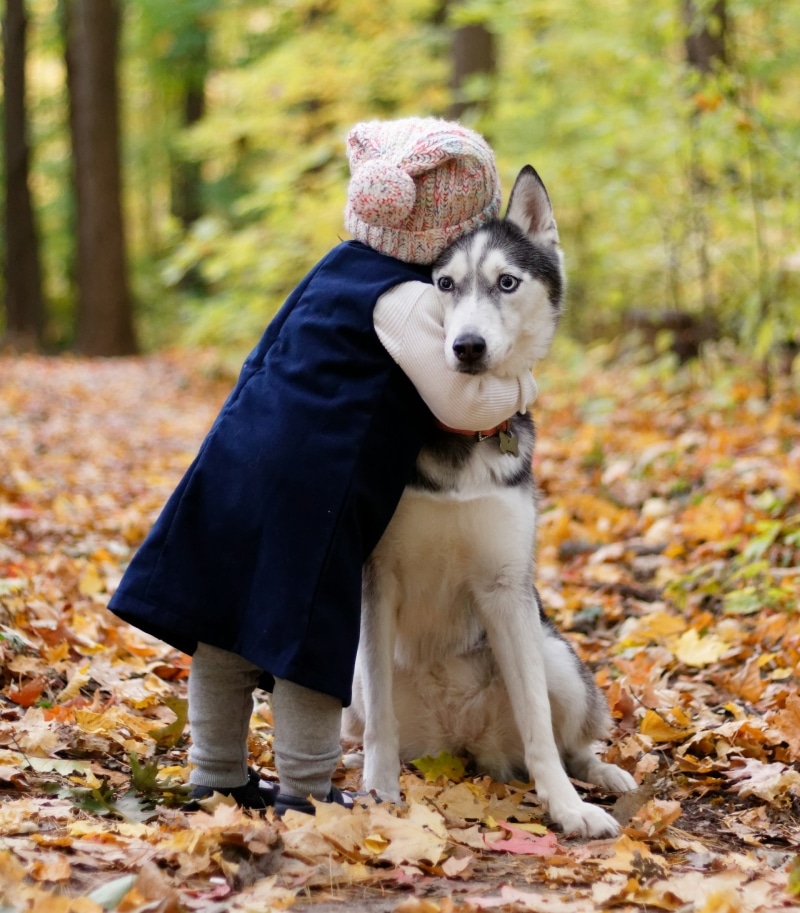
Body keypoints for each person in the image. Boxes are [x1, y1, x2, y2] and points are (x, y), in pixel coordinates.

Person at [108, 117, 538, 815]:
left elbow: (265, 354)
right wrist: (522, 389)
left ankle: (214, 773)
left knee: (221, 630)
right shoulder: (409, 300)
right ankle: (306, 790)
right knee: (308, 635)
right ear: (450, 227)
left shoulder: (331, 268)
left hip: (233, 460)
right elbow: (458, 404)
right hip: (314, 487)